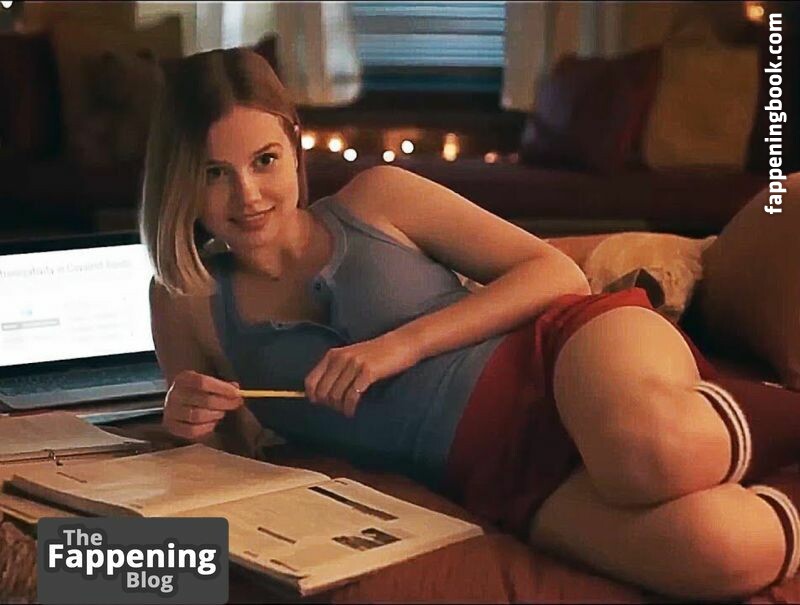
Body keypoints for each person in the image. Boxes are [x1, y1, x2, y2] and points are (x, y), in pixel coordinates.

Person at [140, 48, 800, 601]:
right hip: (500, 479)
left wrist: (400, 346)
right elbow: (223, 462)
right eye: (214, 173)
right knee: (719, 552)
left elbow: (555, 272)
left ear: (292, 144)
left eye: (264, 160)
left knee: (647, 453)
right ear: (180, 180)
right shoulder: (183, 299)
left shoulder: (377, 198)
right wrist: (186, 423)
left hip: (563, 357)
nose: (249, 195)